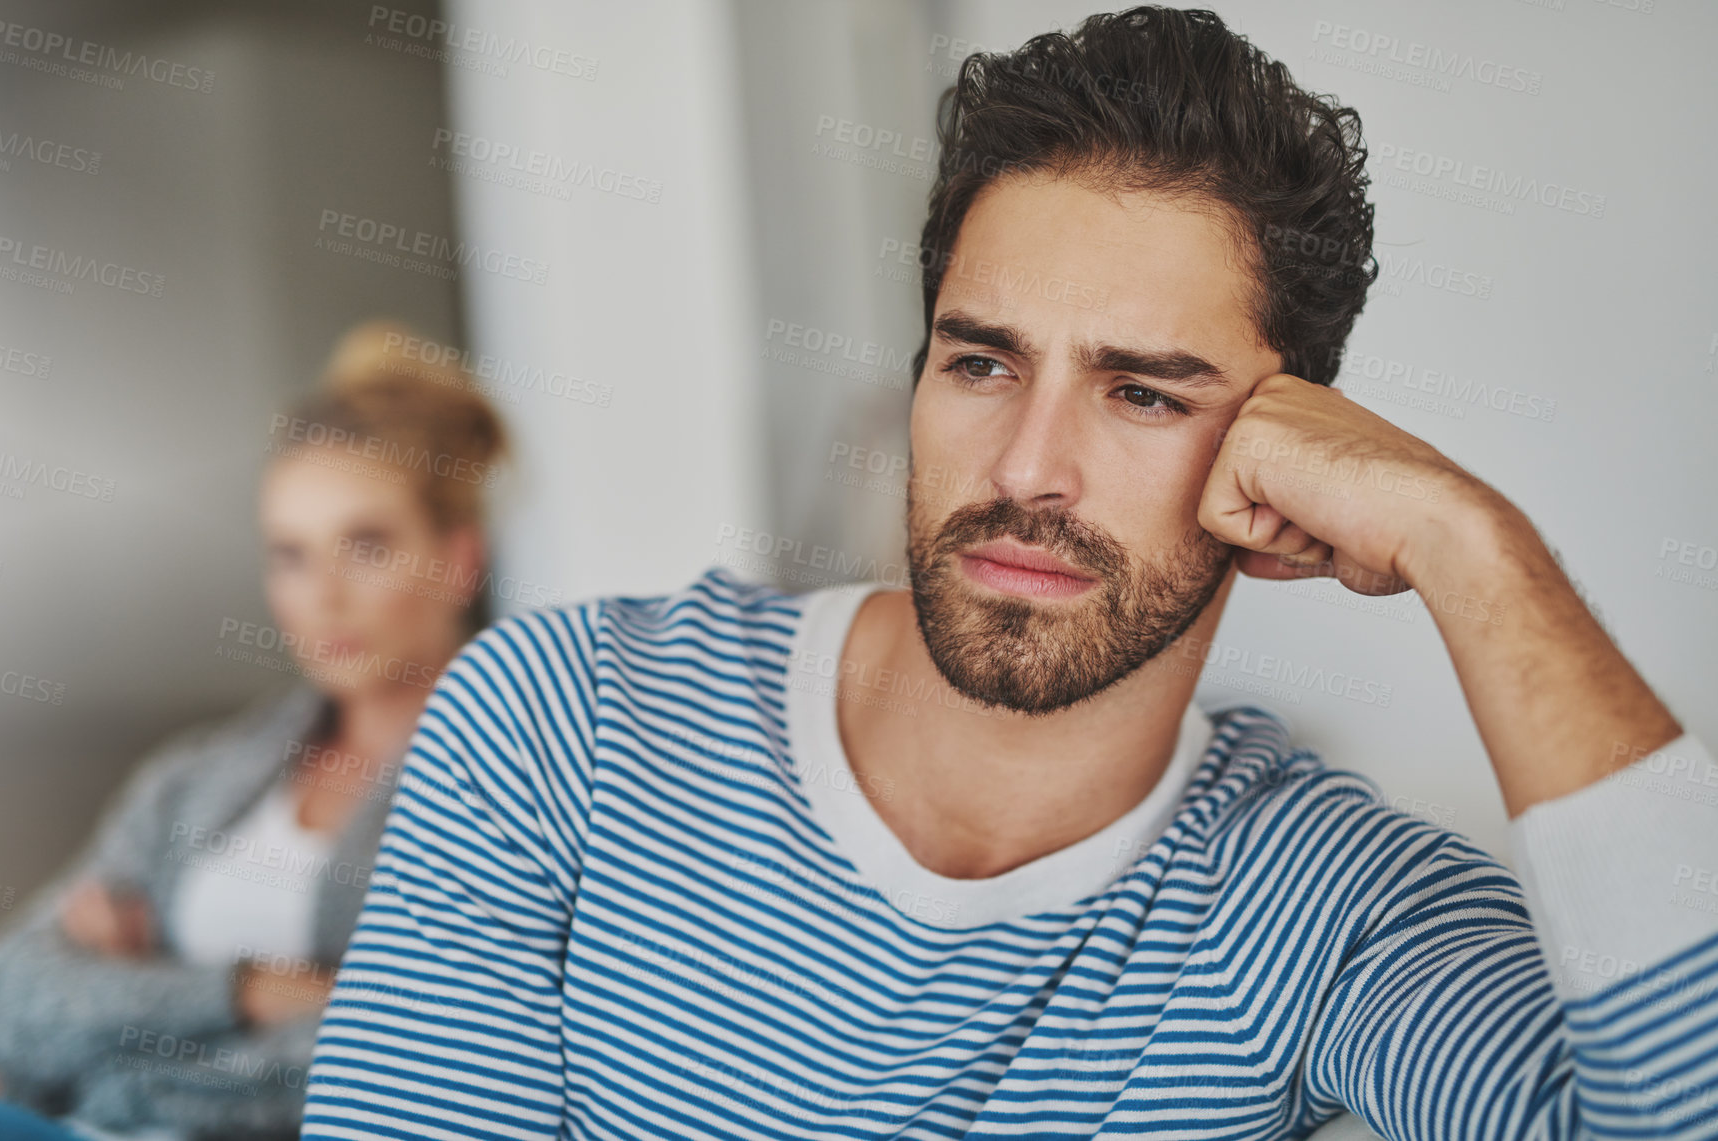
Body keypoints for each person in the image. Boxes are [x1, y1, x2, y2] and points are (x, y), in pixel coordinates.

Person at [299, 8, 1718, 1140]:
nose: (1027, 467)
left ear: (1281, 462)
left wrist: (1475, 547)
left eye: (1141, 395)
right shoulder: (563, 724)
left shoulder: (1322, 909)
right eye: (979, 363)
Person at [0, 320, 509, 1140]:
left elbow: (419, 1052)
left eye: (365, 545)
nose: (320, 594)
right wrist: (248, 989)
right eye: (289, 554)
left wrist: (110, 1037)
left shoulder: (509, 786)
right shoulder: (196, 776)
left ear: (459, 557)